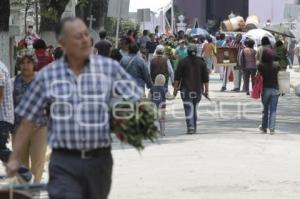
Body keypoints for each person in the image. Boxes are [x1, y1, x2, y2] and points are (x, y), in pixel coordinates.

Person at [7, 17, 143, 199]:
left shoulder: (109, 68)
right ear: (62, 44)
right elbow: (27, 119)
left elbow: (134, 96)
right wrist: (15, 157)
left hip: (99, 160)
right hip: (64, 161)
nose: (85, 39)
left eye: (86, 34)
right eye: (78, 36)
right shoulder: (48, 76)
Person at [13, 49, 48, 182]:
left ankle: (36, 189)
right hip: (19, 129)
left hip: (39, 128)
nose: (25, 65)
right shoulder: (13, 82)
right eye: (22, 62)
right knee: (21, 165)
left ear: (34, 63)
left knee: (38, 162)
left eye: (28, 62)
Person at [173, 44, 209, 134]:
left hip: (186, 89)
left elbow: (177, 77)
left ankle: (191, 127)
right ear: (196, 52)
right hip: (197, 89)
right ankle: (194, 127)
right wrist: (206, 91)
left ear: (187, 52)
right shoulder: (201, 62)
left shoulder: (182, 62)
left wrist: (175, 90)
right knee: (194, 108)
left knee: (188, 108)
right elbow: (206, 78)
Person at [258, 48, 280, 135]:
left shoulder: (261, 65)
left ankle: (264, 127)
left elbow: (258, 76)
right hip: (275, 89)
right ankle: (272, 128)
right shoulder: (276, 65)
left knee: (265, 109)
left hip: (265, 89)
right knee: (273, 110)